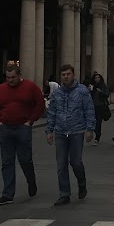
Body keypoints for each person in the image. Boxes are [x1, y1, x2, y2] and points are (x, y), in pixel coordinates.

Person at [0, 63, 45, 206]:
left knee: (25, 159)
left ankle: (31, 180)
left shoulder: (30, 87)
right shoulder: (0, 89)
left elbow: (40, 103)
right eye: (7, 77)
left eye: (13, 77)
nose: (10, 80)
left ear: (19, 75)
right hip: (6, 128)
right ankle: (7, 194)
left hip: (22, 127)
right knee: (7, 162)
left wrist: (30, 121)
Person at [45, 65, 95, 206]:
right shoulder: (57, 93)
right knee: (61, 164)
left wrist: (90, 129)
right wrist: (49, 131)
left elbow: (89, 110)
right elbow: (52, 112)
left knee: (75, 162)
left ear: (73, 75)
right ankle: (64, 194)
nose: (66, 77)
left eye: (68, 74)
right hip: (61, 132)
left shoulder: (82, 91)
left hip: (77, 131)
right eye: (63, 74)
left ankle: (81, 182)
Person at [89, 73, 110, 144]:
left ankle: (97, 137)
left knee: (98, 122)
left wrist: (100, 91)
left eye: (98, 77)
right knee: (92, 122)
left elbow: (107, 94)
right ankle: (97, 132)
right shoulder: (92, 86)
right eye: (95, 78)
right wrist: (90, 90)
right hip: (93, 106)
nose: (97, 79)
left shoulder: (104, 86)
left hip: (101, 105)